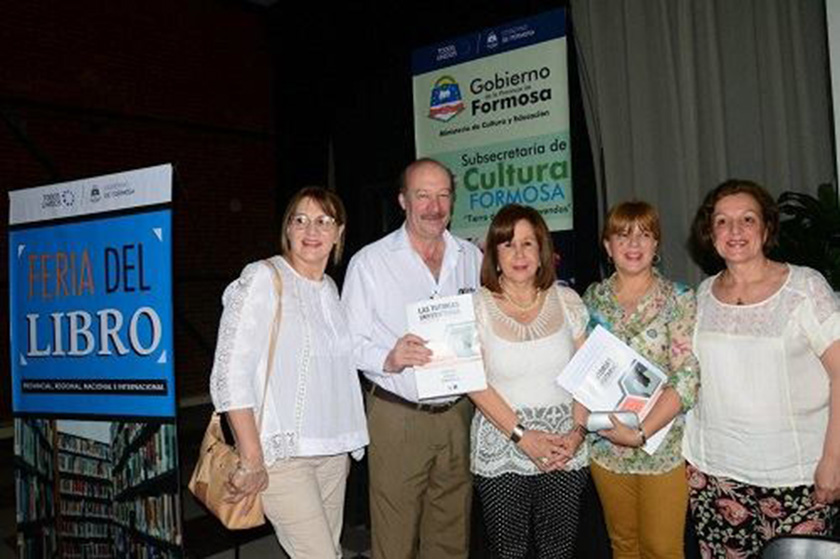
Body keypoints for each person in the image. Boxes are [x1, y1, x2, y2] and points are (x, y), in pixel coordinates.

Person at [208, 186, 368, 558]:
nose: (311, 231)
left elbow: (335, 377)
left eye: (323, 221)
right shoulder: (264, 278)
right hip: (281, 456)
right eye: (301, 220)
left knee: (329, 552)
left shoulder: (329, 289)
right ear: (288, 229)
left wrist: (340, 449)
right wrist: (251, 456)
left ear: (339, 233)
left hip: (330, 456)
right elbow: (229, 372)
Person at [684, 179, 840, 557]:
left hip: (796, 476)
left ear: (766, 228)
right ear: (710, 232)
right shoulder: (701, 296)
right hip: (714, 474)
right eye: (722, 221)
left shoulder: (805, 288)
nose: (734, 230)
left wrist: (833, 460)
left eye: (747, 219)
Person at [342, 158, 482, 559]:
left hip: (458, 414)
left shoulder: (469, 256)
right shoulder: (369, 262)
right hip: (398, 417)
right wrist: (389, 356)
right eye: (423, 195)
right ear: (403, 200)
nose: (434, 207)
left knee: (451, 537)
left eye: (443, 195)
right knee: (395, 540)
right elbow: (349, 344)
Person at [469, 204, 590, 559]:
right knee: (509, 552)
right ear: (494, 255)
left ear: (542, 252)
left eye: (527, 243)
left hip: (564, 448)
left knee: (559, 551)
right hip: (503, 448)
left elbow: (586, 376)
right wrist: (523, 438)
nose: (518, 254)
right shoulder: (474, 307)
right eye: (508, 245)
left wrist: (577, 434)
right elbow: (474, 382)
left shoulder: (568, 300)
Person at [581, 201, 700, 559]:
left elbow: (687, 376)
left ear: (657, 245)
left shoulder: (678, 298)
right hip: (606, 446)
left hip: (661, 446)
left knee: (662, 550)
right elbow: (583, 369)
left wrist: (641, 431)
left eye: (644, 235)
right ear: (607, 245)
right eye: (622, 235)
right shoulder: (592, 299)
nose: (633, 245)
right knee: (623, 546)